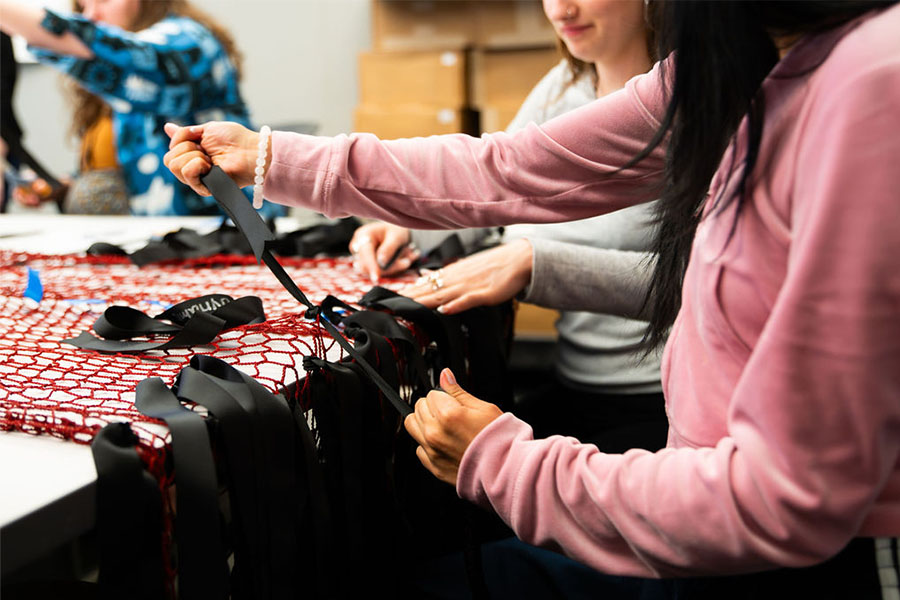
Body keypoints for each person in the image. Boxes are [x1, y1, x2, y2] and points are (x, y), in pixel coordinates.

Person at [164, 1, 900, 596]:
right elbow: (509, 171)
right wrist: (272, 158)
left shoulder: (869, 85)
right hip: (692, 511)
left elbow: (782, 499)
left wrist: (505, 463)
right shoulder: (743, 71)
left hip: (742, 551)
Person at [352, 0, 667, 457]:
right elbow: (497, 194)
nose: (561, 8)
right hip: (577, 386)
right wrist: (409, 231)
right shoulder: (563, 88)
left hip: (664, 405)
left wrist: (534, 265)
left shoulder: (694, 104)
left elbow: (712, 285)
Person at [0, 0, 282, 216]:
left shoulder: (191, 43)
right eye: (83, 5)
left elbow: (133, 54)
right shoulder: (119, 82)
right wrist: (64, 186)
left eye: (105, 0)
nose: (91, 15)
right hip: (159, 245)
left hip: (228, 238)